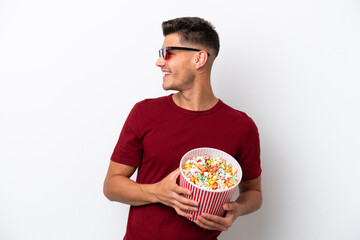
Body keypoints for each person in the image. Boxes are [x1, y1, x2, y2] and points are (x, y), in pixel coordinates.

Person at [103, 17, 262, 240]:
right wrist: (157, 192)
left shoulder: (242, 126)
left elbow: (253, 192)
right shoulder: (144, 113)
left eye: (167, 53)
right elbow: (111, 186)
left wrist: (237, 209)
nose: (159, 63)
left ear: (199, 58)